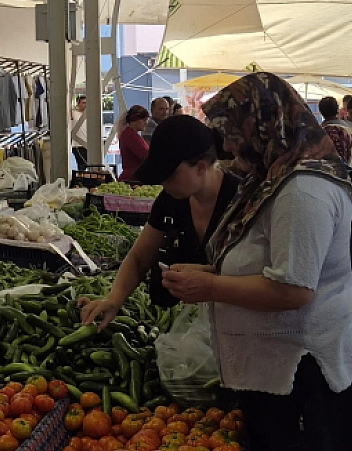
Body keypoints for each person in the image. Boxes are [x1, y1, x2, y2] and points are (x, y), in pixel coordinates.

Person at [161, 73, 352, 451]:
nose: (228, 148)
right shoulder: (275, 179)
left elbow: (294, 287)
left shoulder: (303, 189)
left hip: (305, 377)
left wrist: (210, 286)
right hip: (279, 378)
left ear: (265, 124)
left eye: (234, 134)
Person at [81, 114, 240, 318]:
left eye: (170, 175)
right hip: (184, 327)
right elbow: (139, 258)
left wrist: (211, 280)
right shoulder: (170, 199)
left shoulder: (241, 200)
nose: (164, 184)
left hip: (236, 327)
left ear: (200, 167)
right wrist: (113, 300)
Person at [117, 105, 151, 182]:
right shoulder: (130, 136)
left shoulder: (129, 134)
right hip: (133, 178)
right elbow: (145, 155)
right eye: (144, 120)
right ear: (135, 120)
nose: (146, 123)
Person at [318, 96, 352, 165]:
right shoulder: (349, 130)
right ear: (337, 109)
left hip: (328, 172)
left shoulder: (322, 132)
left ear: (321, 112)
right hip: (348, 170)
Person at [71, 95, 90, 169]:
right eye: (83, 103)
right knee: (82, 165)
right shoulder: (74, 113)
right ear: (78, 104)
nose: (86, 105)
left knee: (90, 165)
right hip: (78, 145)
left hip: (89, 145)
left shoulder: (90, 115)